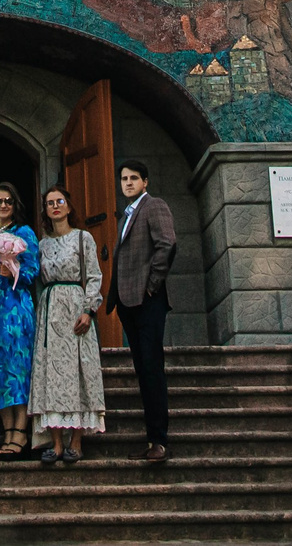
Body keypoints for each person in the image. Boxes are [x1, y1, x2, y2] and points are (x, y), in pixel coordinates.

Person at [27, 184, 106, 465]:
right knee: (51, 371)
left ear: (69, 206)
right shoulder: (42, 244)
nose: (55, 206)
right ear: (46, 211)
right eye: (50, 203)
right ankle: (56, 442)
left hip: (75, 305)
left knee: (77, 369)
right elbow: (36, 280)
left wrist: (88, 309)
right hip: (50, 309)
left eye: (59, 201)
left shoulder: (83, 238)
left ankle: (77, 440)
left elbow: (94, 275)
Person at [110, 158, 178, 463]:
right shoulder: (125, 215)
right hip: (128, 303)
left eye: (133, 178)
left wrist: (151, 286)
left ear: (145, 182)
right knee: (142, 368)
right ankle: (152, 438)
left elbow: (167, 245)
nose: (127, 183)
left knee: (152, 368)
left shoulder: (154, 206)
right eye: (124, 178)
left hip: (148, 299)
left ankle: (159, 441)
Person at [0, 182, 39, 457]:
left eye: (8, 202)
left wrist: (12, 270)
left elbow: (34, 270)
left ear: (15, 205)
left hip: (16, 309)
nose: (2, 206)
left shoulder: (24, 232)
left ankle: (20, 434)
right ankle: (7, 433)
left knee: (18, 370)